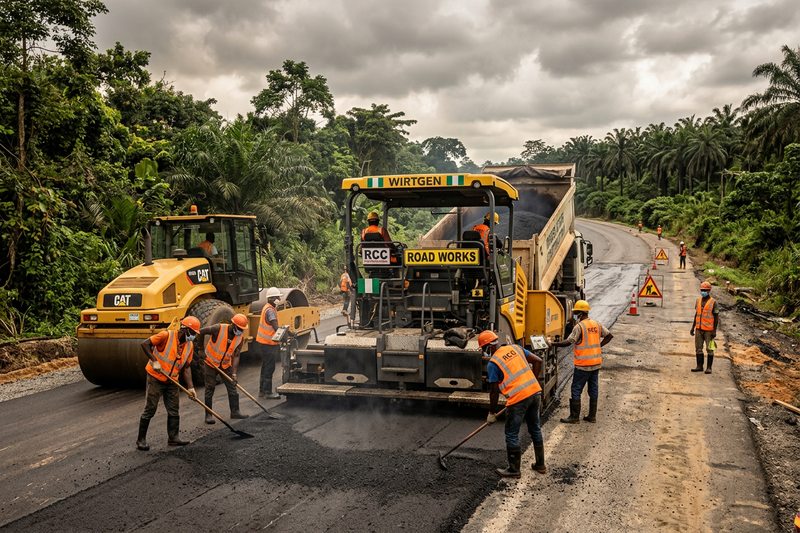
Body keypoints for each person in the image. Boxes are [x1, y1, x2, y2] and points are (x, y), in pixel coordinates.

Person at [480, 330, 546, 478]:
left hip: (518, 400)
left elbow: (494, 392)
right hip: (535, 392)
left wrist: (491, 413)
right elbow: (538, 361)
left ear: (487, 347)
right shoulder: (516, 348)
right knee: (535, 429)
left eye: (483, 349)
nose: (483, 353)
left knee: (511, 433)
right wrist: (533, 381)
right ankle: (540, 465)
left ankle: (514, 470)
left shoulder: (493, 363)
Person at [136, 316, 200, 451]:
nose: (193, 336)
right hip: (155, 377)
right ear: (185, 329)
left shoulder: (189, 346)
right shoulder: (166, 335)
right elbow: (145, 344)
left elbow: (186, 367)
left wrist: (191, 387)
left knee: (174, 410)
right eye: (193, 333)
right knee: (150, 409)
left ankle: (173, 438)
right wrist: (154, 360)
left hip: (172, 380)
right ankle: (140, 440)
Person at [549, 300, 613, 424]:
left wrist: (553, 344)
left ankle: (574, 417)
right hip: (595, 363)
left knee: (576, 389)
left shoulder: (579, 327)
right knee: (593, 389)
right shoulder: (596, 324)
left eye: (575, 312)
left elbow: (569, 342)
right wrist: (599, 346)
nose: (574, 315)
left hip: (583, 365)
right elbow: (609, 336)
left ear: (579, 313)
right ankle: (592, 416)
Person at [199, 313, 249, 424]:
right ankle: (208, 415)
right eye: (240, 328)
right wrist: (201, 349)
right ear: (233, 324)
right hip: (211, 363)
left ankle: (235, 412)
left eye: (242, 329)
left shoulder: (240, 337)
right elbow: (201, 331)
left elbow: (236, 355)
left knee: (232, 388)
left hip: (226, 365)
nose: (241, 331)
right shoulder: (218, 328)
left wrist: (234, 373)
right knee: (210, 388)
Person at [256, 287, 283, 399]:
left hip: (263, 343)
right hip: (268, 344)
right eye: (277, 297)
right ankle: (268, 392)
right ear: (272, 298)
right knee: (269, 368)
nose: (279, 299)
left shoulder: (267, 307)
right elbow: (275, 327)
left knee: (264, 367)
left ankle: (262, 391)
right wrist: (286, 336)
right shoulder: (270, 311)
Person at [690, 281, 719, 374]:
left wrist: (714, 330)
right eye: (702, 290)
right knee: (698, 348)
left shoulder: (713, 302)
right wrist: (692, 327)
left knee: (710, 349)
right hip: (698, 329)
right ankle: (699, 366)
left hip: (709, 331)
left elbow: (716, 317)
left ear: (709, 291)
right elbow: (696, 314)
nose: (703, 292)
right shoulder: (698, 300)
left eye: (705, 290)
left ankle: (709, 368)